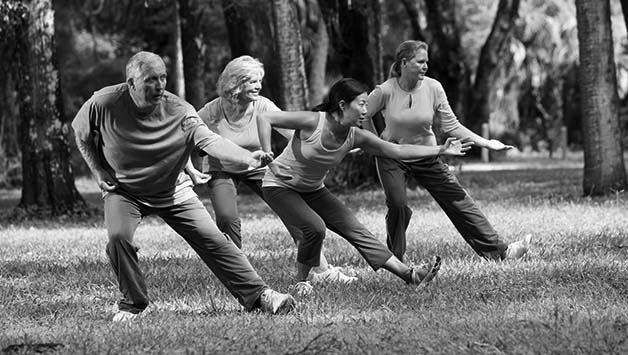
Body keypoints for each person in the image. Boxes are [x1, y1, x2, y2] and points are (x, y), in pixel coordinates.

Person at [71, 51, 295, 322]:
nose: (160, 85)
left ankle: (261, 295)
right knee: (118, 238)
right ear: (131, 83)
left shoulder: (180, 111)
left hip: (172, 190)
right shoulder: (103, 103)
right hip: (124, 190)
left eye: (163, 78)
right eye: (151, 80)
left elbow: (211, 141)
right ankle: (133, 302)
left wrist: (247, 157)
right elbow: (81, 134)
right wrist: (97, 170)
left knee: (215, 241)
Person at [256, 78, 473, 295]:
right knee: (315, 228)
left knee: (356, 230)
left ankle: (410, 275)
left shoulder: (355, 136)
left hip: (313, 189)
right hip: (279, 186)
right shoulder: (313, 121)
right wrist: (270, 160)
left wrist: (440, 150)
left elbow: (396, 151)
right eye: (361, 103)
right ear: (342, 105)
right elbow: (265, 117)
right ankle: (301, 282)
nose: (366, 110)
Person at [189, 55, 356, 283]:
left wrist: (332, 144)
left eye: (260, 80)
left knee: (294, 214)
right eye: (252, 81)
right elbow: (184, 137)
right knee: (227, 218)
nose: (259, 86)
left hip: (259, 166)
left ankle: (321, 270)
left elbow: (293, 134)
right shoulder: (211, 111)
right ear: (235, 84)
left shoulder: (263, 105)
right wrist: (188, 167)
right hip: (221, 169)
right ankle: (237, 273)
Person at [362, 40, 531, 262]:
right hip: (393, 156)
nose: (425, 67)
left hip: (427, 153)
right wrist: (376, 144)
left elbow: (452, 125)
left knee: (458, 199)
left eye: (427, 62)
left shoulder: (433, 88)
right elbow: (363, 114)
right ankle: (395, 260)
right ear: (404, 63)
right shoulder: (384, 90)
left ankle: (501, 251)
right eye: (420, 62)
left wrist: (487, 143)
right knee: (398, 204)